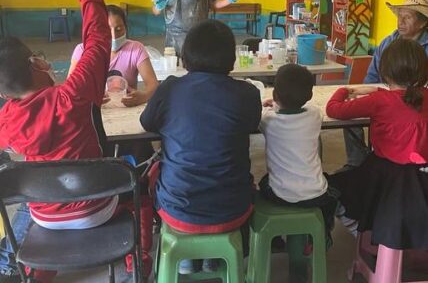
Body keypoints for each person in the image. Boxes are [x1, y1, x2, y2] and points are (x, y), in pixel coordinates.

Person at [0, 0, 151, 282]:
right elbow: (97, 37)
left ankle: (32, 269)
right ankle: (135, 266)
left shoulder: (7, 122)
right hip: (96, 208)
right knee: (141, 193)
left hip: (45, 216)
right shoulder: (72, 96)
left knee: (30, 195)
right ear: (37, 64)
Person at [140, 19, 261, 274]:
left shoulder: (171, 88)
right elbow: (252, 124)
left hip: (177, 208)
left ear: (186, 56)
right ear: (231, 59)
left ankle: (185, 262)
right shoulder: (248, 94)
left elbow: (147, 122)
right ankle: (215, 260)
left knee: (154, 176)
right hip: (232, 208)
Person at [327, 38, 428, 250]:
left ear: (385, 72)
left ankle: (362, 234)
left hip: (383, 177)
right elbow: (405, 100)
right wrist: (382, 92)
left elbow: (334, 110)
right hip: (421, 182)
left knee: (332, 187)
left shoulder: (379, 102)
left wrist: (345, 90)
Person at [260, 64, 338, 283]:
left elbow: (264, 116)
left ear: (275, 94)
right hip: (316, 194)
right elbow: (300, 113)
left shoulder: (268, 121)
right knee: (333, 190)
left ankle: (274, 239)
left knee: (262, 184)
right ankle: (323, 230)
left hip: (280, 194)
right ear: (309, 95)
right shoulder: (314, 115)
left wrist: (269, 107)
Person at [343, 0, 428, 169]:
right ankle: (357, 164)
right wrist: (365, 96)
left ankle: (390, 162)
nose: (401, 21)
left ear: (422, 23)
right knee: (350, 119)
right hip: (387, 96)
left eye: (408, 17)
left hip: (417, 100)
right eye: (399, 16)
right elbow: (372, 76)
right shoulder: (387, 43)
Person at [69, 4, 159, 107]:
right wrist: (89, 98)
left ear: (126, 28)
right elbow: (69, 89)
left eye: (119, 29)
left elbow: (153, 85)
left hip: (126, 112)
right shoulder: (82, 51)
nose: (114, 36)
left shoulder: (136, 49)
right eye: (107, 29)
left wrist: (143, 96)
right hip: (92, 112)